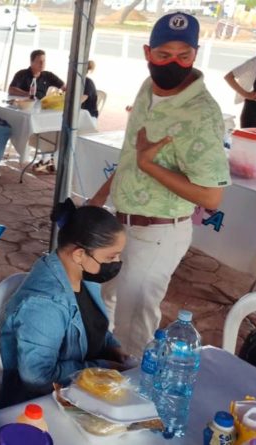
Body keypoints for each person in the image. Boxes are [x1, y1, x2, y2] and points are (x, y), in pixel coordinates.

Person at [89, 13, 231, 355]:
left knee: (134, 326)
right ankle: (102, 375)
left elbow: (212, 197)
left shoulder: (202, 112)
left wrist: (148, 165)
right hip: (120, 222)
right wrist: (97, 200)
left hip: (158, 233)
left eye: (184, 55)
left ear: (196, 54)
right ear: (147, 52)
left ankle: (132, 395)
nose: (174, 63)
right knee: (104, 300)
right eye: (164, 54)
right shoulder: (147, 89)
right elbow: (128, 156)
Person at [0, 201, 129, 408]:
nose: (117, 262)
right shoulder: (44, 305)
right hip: (43, 404)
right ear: (79, 254)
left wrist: (112, 347)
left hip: (81, 390)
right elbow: (38, 378)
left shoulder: (83, 276)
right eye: (111, 256)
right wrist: (101, 368)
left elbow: (90, 323)